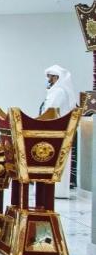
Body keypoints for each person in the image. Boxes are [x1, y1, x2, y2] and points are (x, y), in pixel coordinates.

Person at [42, 65, 77, 199]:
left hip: (57, 131)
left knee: (57, 161)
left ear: (56, 77)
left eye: (50, 77)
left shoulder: (59, 92)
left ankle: (57, 191)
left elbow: (51, 111)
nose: (48, 80)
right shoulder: (55, 91)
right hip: (54, 130)